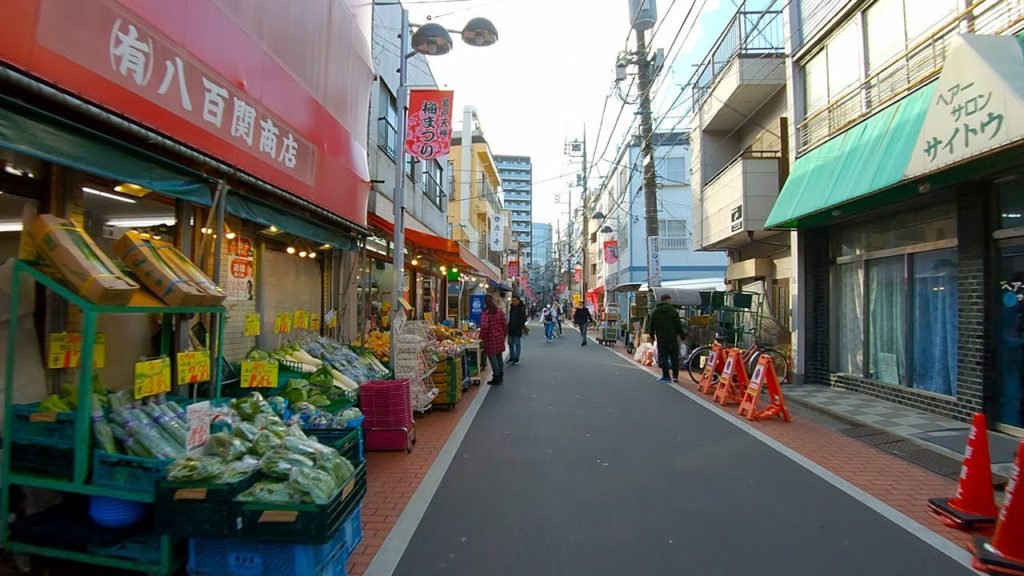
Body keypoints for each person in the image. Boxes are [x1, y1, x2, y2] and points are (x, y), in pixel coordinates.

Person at [649, 293, 687, 383]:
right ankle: (675, 376)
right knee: (674, 357)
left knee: (663, 356)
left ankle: (666, 376)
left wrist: (651, 336)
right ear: (668, 300)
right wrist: (682, 336)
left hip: (661, 338)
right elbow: (678, 325)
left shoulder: (655, 311)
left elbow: (651, 325)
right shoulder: (673, 311)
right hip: (673, 338)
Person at [479, 294, 507, 385]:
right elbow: (504, 324)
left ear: (485, 302)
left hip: (490, 338)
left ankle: (496, 376)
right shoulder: (499, 311)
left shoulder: (486, 313)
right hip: (499, 337)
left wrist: (481, 337)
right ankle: (500, 375)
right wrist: (504, 335)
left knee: (492, 357)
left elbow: (484, 326)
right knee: (499, 356)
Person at [507, 295, 527, 365]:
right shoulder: (511, 307)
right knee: (510, 344)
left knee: (517, 344)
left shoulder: (522, 308)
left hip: (517, 329)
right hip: (510, 328)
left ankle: (516, 358)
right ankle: (512, 357)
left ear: (518, 300)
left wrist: (520, 327)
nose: (513, 302)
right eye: (512, 301)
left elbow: (524, 319)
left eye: (515, 300)